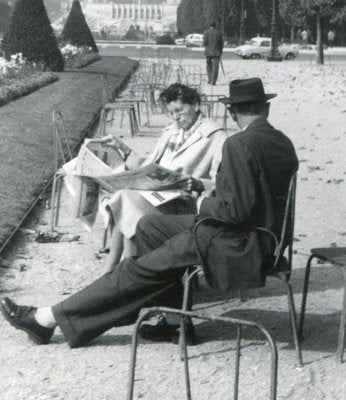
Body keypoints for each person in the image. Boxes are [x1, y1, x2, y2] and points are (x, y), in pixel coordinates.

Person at [0, 78, 299, 348]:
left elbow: (234, 211)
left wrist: (200, 203)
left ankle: (47, 319)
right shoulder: (282, 142)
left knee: (136, 269)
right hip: (262, 238)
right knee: (148, 227)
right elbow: (252, 200)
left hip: (237, 242)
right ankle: (172, 321)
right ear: (266, 108)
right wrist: (207, 191)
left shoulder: (238, 143)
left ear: (233, 112)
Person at [102, 83, 227, 272]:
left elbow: (223, 182)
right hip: (159, 198)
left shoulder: (216, 136)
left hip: (185, 205)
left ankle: (120, 270)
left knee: (125, 200)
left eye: (179, 110)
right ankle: (121, 270)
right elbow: (149, 165)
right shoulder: (172, 132)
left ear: (195, 105)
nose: (176, 117)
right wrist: (122, 147)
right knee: (122, 197)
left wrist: (197, 183)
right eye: (171, 113)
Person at [203, 21, 224, 85]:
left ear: (210, 26)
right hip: (216, 52)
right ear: (215, 26)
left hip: (208, 52)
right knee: (215, 67)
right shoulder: (219, 33)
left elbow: (204, 43)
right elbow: (221, 44)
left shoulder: (206, 32)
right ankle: (213, 81)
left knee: (209, 66)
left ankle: (210, 79)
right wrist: (220, 51)